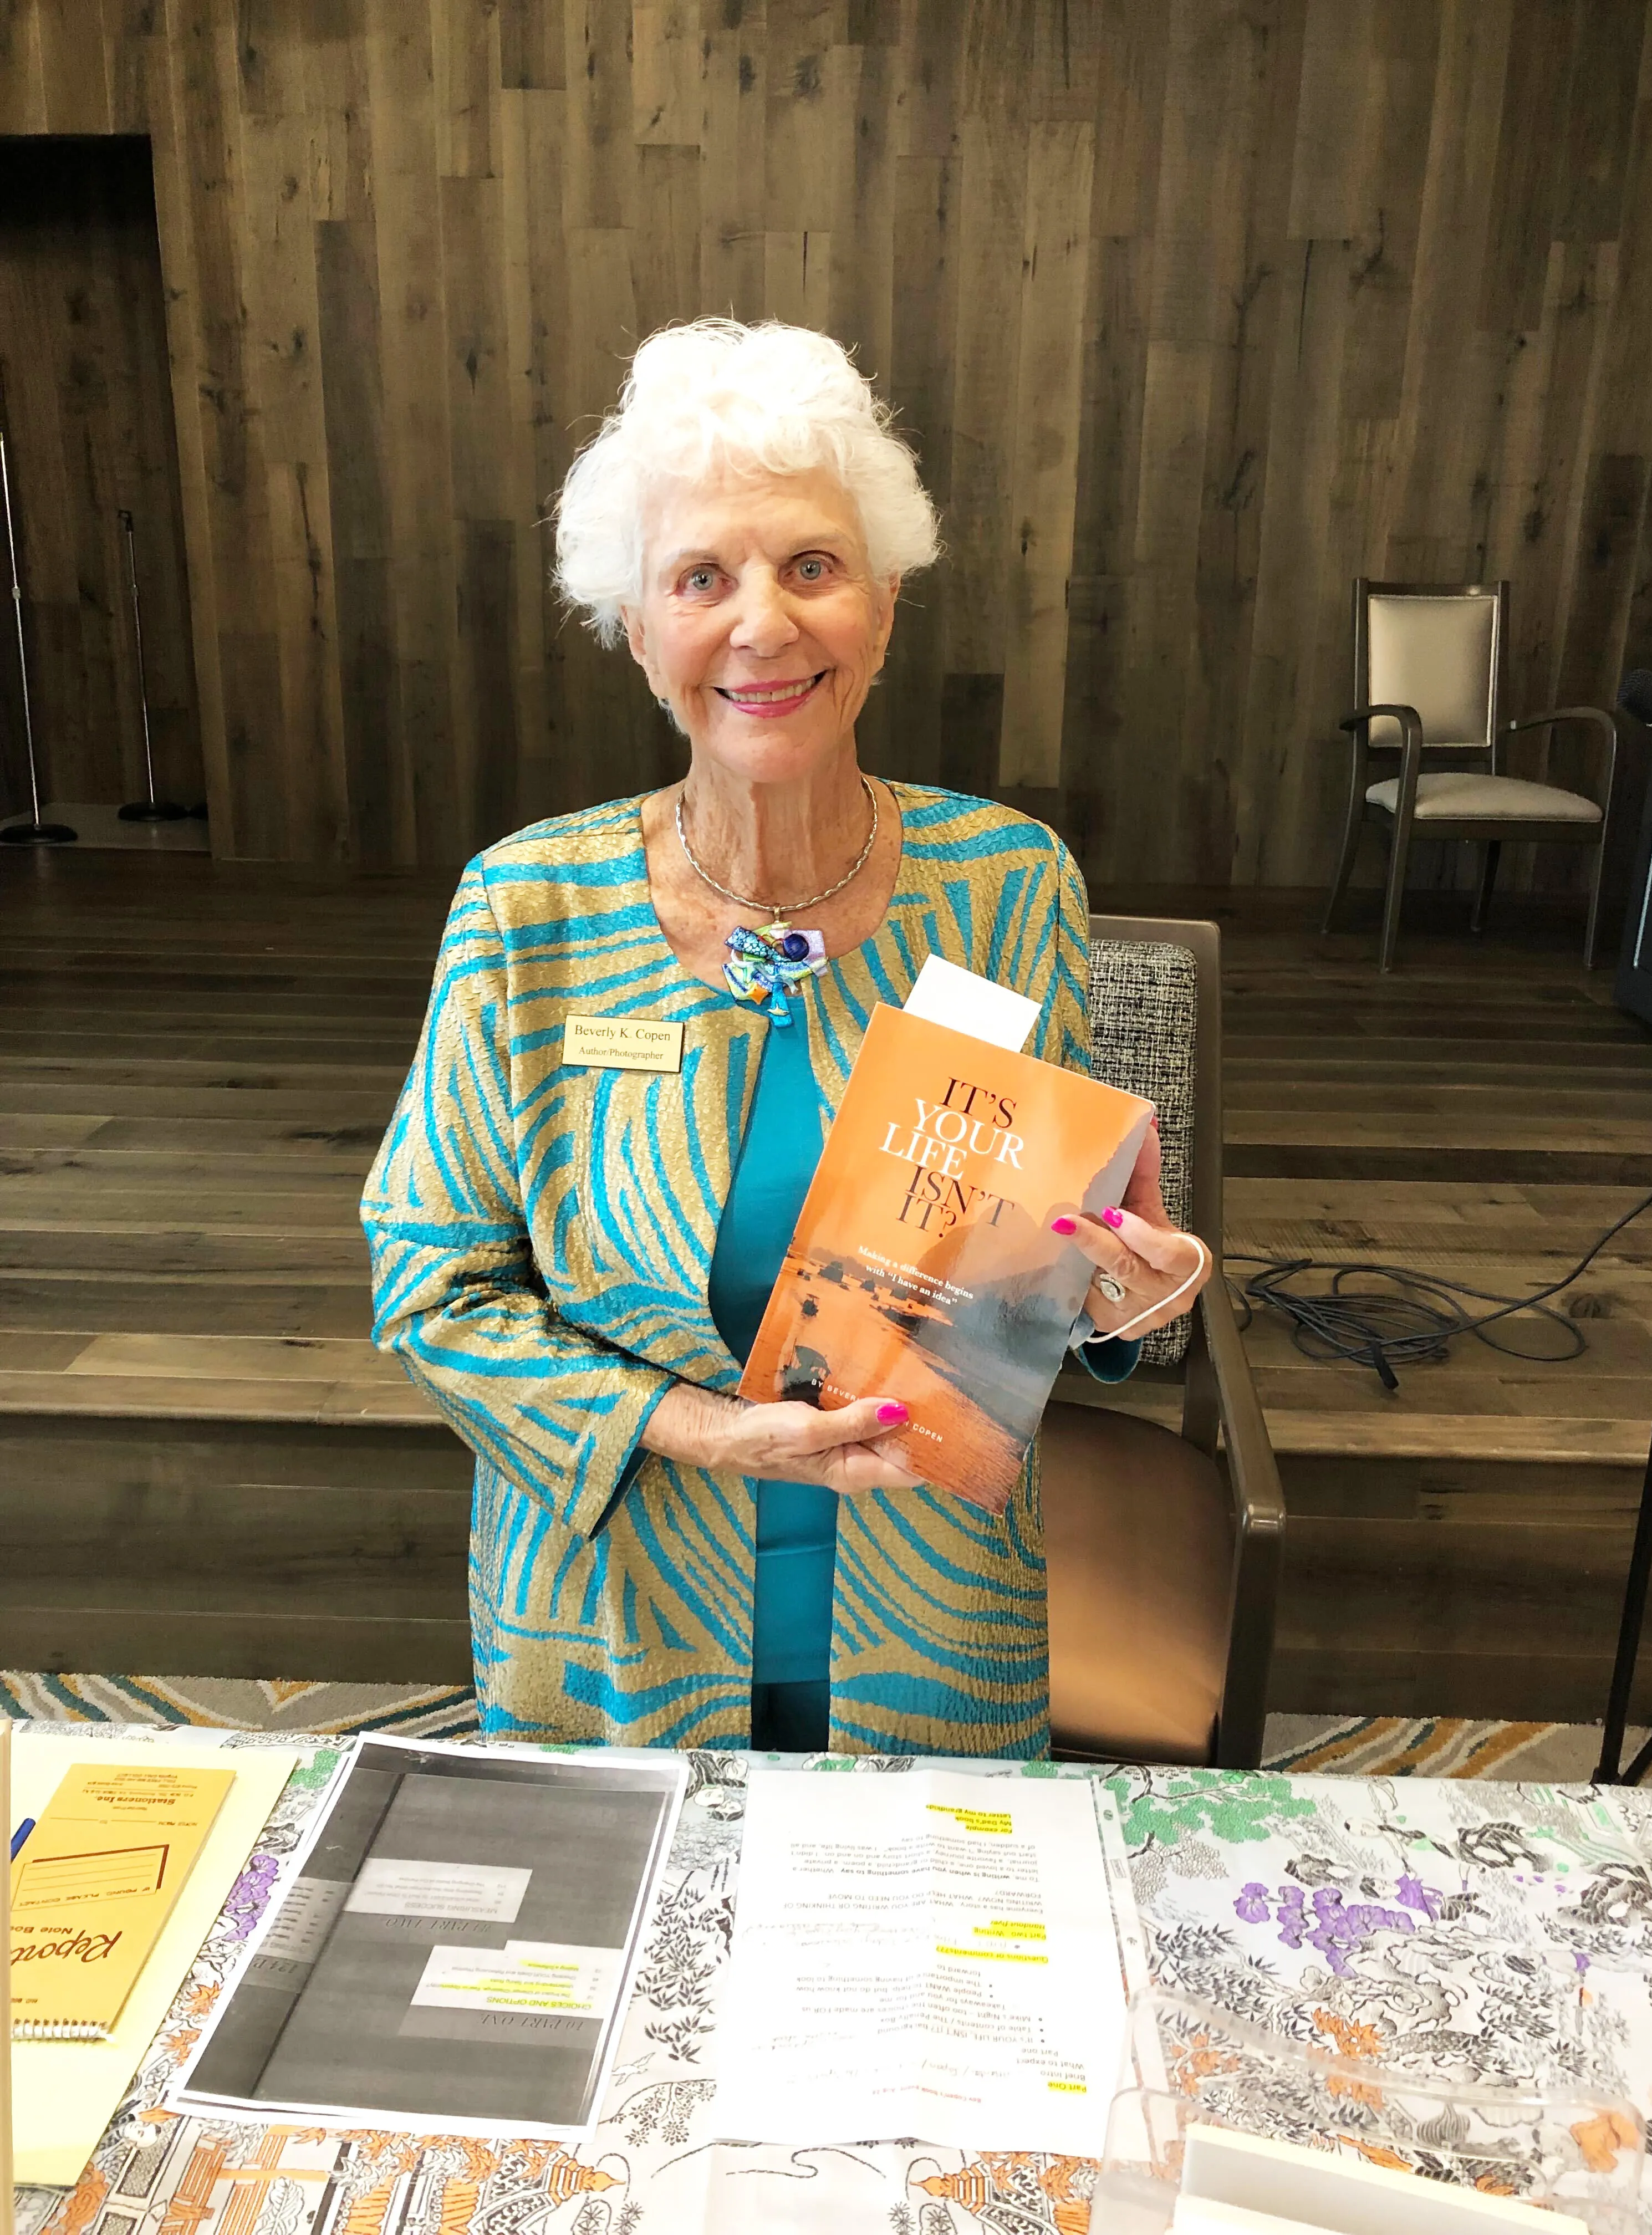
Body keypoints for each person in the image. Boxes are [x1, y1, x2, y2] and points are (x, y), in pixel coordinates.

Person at [361, 319, 1212, 1758]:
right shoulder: (529, 909)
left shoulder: (1010, 885)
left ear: (884, 603)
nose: (763, 624)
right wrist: (705, 1432)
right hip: (624, 1626)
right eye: (703, 577)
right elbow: (428, 1291)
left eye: (811, 566)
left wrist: (1126, 1292)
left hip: (927, 1615)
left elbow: (1026, 1269)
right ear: (636, 629)